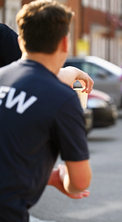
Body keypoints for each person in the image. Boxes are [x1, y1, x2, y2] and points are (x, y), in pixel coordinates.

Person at [0, 1, 93, 221]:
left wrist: (45, 177)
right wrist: (61, 176)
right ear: (64, 43)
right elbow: (79, 183)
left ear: (21, 41)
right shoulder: (62, 98)